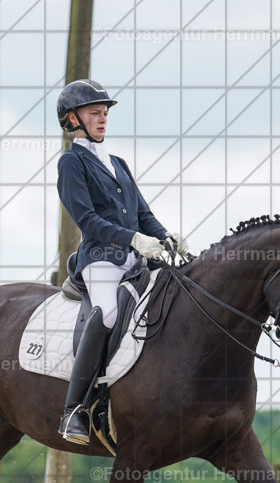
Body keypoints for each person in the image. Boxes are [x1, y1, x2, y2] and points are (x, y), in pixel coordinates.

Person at [55, 78, 189, 444]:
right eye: (94, 113)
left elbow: (143, 213)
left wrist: (165, 236)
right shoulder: (71, 163)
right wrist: (132, 238)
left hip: (135, 259)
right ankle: (74, 411)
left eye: (104, 113)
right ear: (72, 120)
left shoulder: (117, 163)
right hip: (101, 259)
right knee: (108, 313)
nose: (102, 119)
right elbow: (87, 221)